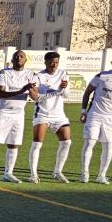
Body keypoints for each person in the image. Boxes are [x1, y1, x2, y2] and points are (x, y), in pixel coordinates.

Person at [0, 50, 37, 183]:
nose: (18, 58)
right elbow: (0, 94)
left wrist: (32, 91)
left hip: (19, 114)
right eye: (16, 56)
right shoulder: (3, 73)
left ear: (26, 60)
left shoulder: (31, 75)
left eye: (21, 56)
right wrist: (22, 90)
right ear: (12, 59)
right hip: (3, 112)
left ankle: (8, 173)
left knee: (13, 144)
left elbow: (35, 96)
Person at [79, 52, 112, 184]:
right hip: (95, 115)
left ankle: (101, 175)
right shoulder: (102, 76)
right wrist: (84, 111)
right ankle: (84, 173)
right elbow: (87, 92)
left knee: (108, 146)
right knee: (89, 142)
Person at [29, 52, 72, 183]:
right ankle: (33, 174)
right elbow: (35, 97)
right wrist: (56, 91)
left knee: (66, 142)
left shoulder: (63, 74)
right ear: (46, 62)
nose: (54, 65)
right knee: (37, 144)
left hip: (59, 115)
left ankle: (57, 171)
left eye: (57, 62)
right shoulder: (38, 76)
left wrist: (63, 90)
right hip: (42, 114)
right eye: (52, 62)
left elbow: (66, 95)